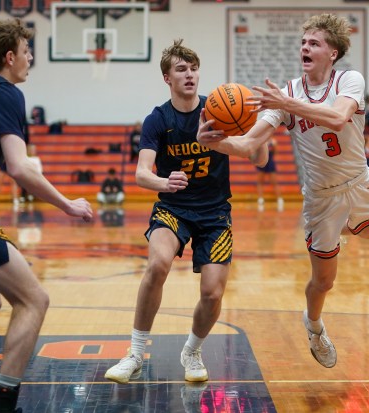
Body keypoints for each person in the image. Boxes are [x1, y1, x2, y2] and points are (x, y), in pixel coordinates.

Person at [198, 13, 369, 369]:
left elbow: (337, 118)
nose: (305, 48)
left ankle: (337, 231)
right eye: (303, 43)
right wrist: (212, 141)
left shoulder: (349, 80)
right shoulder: (286, 94)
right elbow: (248, 144)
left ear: (333, 52)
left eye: (314, 43)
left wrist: (285, 104)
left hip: (359, 182)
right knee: (324, 282)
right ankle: (314, 325)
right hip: (321, 197)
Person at [104, 39, 267, 385]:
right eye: (181, 69)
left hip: (215, 212)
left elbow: (260, 158)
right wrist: (164, 181)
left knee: (212, 293)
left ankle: (192, 350)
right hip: (173, 208)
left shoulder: (220, 110)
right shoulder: (158, 119)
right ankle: (134, 353)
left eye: (193, 68)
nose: (189, 74)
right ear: (168, 78)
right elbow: (140, 174)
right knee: (157, 264)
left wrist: (257, 131)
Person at [0, 18, 93, 412]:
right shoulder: (5, 92)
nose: (31, 58)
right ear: (9, 57)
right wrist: (67, 204)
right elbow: (20, 167)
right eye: (26, 51)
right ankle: (3, 405)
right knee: (34, 300)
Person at [256, 137, 284, 212]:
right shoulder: (260, 141)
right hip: (262, 162)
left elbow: (276, 152)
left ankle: (279, 199)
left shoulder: (273, 141)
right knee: (260, 181)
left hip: (270, 162)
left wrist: (273, 146)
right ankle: (260, 199)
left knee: (274, 182)